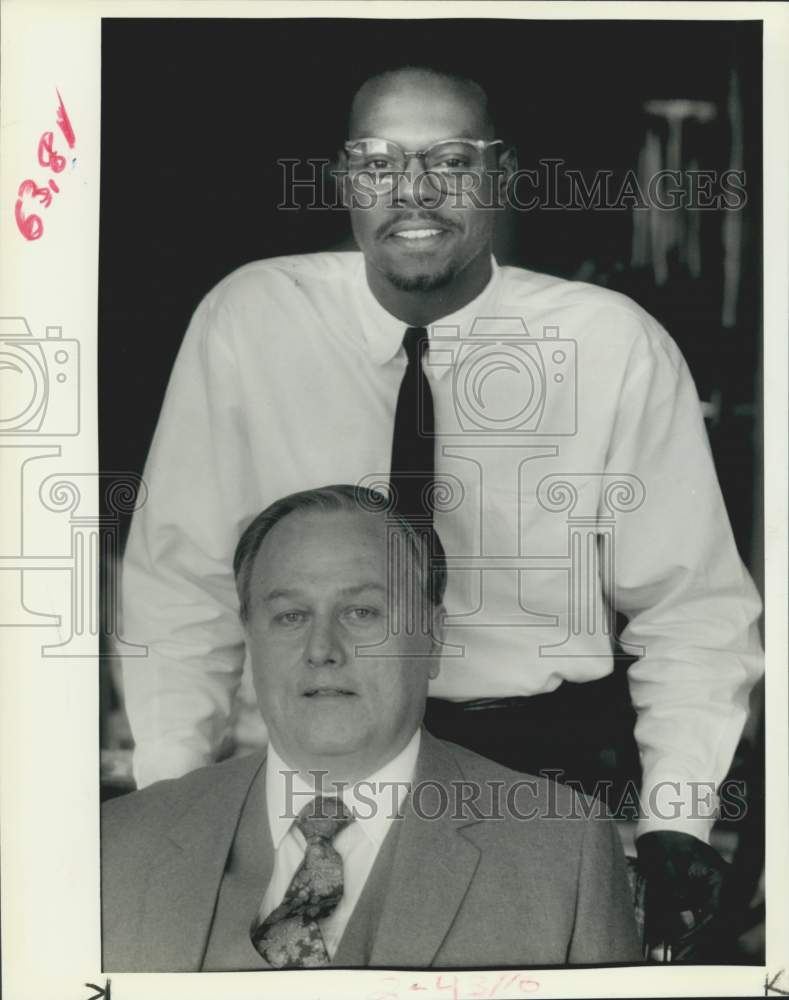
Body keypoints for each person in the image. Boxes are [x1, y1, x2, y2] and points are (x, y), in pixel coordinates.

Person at [119, 65, 763, 949]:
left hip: (531, 771)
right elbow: (178, 582)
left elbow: (691, 611)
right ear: (343, 180)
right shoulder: (250, 320)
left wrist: (676, 819)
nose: (411, 190)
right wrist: (174, 802)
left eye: (451, 161)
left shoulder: (611, 346)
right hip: (296, 758)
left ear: (498, 178)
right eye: (377, 162)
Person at [103, 485, 641, 971]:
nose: (322, 651)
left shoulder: (562, 851)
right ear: (250, 638)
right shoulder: (118, 843)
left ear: (431, 637)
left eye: (362, 613)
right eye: (290, 616)